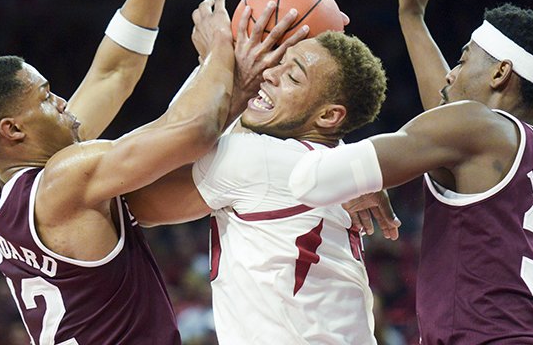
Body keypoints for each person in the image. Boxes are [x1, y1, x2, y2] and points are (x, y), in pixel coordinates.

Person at [289, 0, 533, 343]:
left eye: (463, 60)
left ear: (500, 73)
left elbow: (315, 180)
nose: (450, 74)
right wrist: (412, 16)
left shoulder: (474, 128)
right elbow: (445, 107)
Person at [0, 0, 249, 342]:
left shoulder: (5, 197)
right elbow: (193, 131)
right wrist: (219, 50)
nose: (63, 101)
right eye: (46, 96)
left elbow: (114, 71)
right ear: (13, 130)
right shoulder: (63, 181)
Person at [125, 20, 400, 343]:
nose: (269, 74)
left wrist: (214, 64)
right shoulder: (327, 155)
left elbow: (134, 195)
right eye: (278, 62)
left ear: (328, 117)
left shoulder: (260, 160)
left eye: (292, 76)